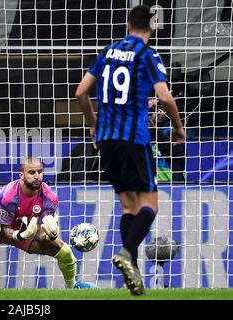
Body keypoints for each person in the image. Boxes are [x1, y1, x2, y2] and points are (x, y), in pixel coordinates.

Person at [75, 5, 185, 295]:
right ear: (153, 28)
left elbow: (80, 92)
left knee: (128, 207)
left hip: (107, 140)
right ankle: (127, 253)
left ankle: (132, 273)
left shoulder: (108, 52)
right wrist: (178, 126)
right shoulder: (148, 56)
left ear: (127, 24)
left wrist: (93, 125)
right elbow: (166, 98)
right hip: (134, 140)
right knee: (150, 204)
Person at [0, 156, 96, 290]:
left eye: (40, 172)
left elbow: (40, 233)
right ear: (21, 175)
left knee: (64, 250)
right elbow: (5, 228)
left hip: (26, 228)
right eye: (31, 172)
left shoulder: (50, 198)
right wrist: (19, 236)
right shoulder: (8, 196)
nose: (37, 176)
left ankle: (72, 286)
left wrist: (50, 235)